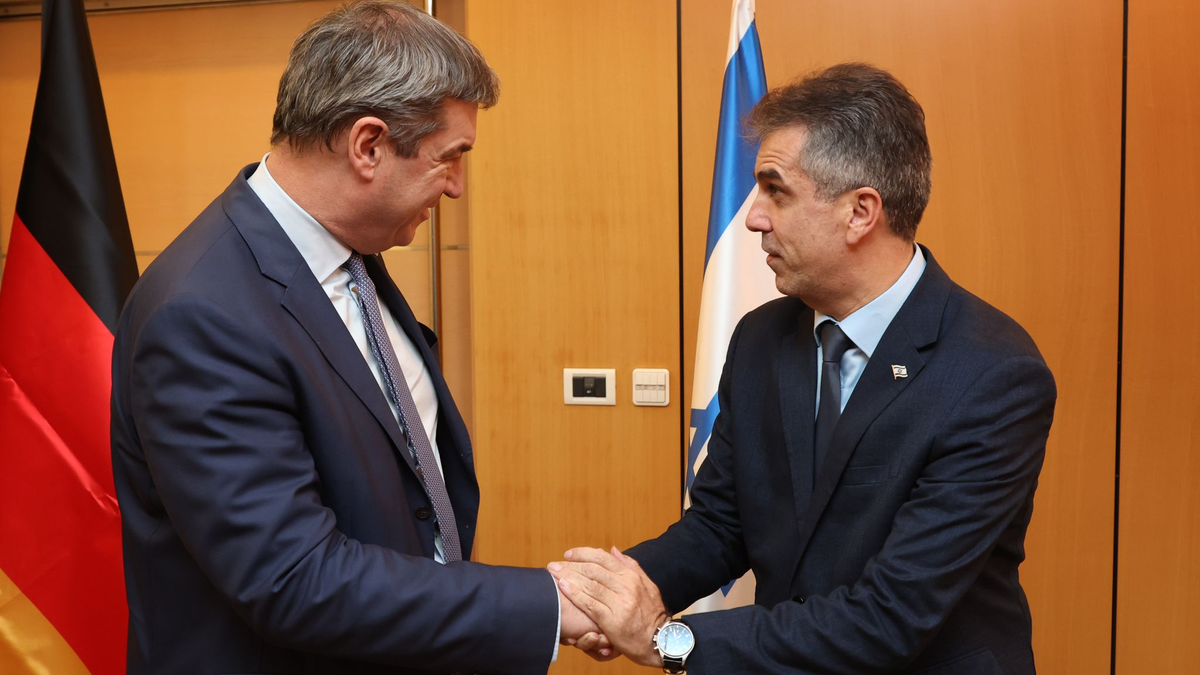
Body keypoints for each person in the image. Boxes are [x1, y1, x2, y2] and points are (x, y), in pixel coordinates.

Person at [110, 3, 597, 673]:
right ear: (367, 146)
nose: (457, 187)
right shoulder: (202, 314)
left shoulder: (350, 251)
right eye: (450, 158)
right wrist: (549, 605)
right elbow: (294, 577)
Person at [551, 62, 1057, 674]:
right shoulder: (762, 338)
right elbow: (720, 527)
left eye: (776, 190)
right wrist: (593, 600)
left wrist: (666, 640)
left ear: (860, 212)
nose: (753, 216)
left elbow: (888, 617)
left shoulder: (992, 373)